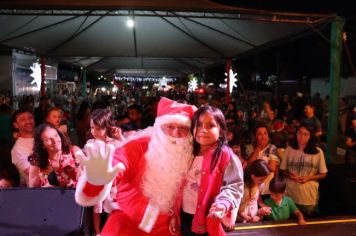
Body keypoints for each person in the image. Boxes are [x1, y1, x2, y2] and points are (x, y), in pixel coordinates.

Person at [75, 97, 197, 235]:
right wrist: (98, 179)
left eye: (183, 128)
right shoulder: (140, 145)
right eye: (170, 127)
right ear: (159, 127)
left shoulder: (193, 153)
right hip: (128, 223)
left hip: (171, 228)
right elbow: (120, 161)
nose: (176, 134)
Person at [172, 105, 243, 235]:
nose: (202, 130)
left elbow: (234, 186)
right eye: (198, 124)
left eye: (210, 125)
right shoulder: (188, 153)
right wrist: (174, 214)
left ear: (221, 131)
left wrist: (223, 204)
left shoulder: (226, 156)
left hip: (207, 218)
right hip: (184, 216)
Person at [87, 109, 123, 236]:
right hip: (96, 181)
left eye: (98, 128)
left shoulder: (115, 143)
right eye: (92, 128)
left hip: (112, 182)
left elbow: (126, 153)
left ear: (106, 127)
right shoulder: (90, 143)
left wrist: (120, 137)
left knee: (111, 208)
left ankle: (109, 231)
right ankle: (97, 232)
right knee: (96, 209)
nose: (94, 132)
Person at [280, 124, 327, 216]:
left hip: (308, 196)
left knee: (307, 225)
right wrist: (290, 175)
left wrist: (308, 178)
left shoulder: (317, 152)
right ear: (296, 134)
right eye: (300, 133)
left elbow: (323, 173)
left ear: (310, 136)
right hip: (290, 194)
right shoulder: (289, 150)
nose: (302, 136)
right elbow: (282, 170)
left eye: (306, 134)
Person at [28, 123, 81, 188]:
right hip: (49, 197)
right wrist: (44, 190)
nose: (55, 140)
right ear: (42, 145)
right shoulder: (37, 161)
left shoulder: (75, 151)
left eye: (56, 136)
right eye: (48, 139)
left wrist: (75, 184)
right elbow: (32, 189)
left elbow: (86, 179)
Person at [247, 122, 280, 195]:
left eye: (265, 133)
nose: (263, 136)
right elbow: (248, 166)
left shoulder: (272, 148)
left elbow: (273, 167)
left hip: (267, 190)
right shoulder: (251, 148)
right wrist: (257, 150)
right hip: (253, 190)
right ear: (255, 136)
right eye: (260, 134)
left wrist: (255, 168)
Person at [238, 159, 270, 223]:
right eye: (261, 179)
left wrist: (263, 208)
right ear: (253, 176)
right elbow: (237, 208)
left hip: (254, 218)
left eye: (264, 179)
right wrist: (249, 218)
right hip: (240, 221)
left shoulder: (260, 185)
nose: (263, 182)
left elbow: (257, 198)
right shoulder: (241, 187)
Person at [11, 108, 35, 186]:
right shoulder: (17, 149)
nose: (28, 121)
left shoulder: (44, 135)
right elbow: (30, 173)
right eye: (23, 119)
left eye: (30, 118)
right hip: (39, 191)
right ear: (16, 125)